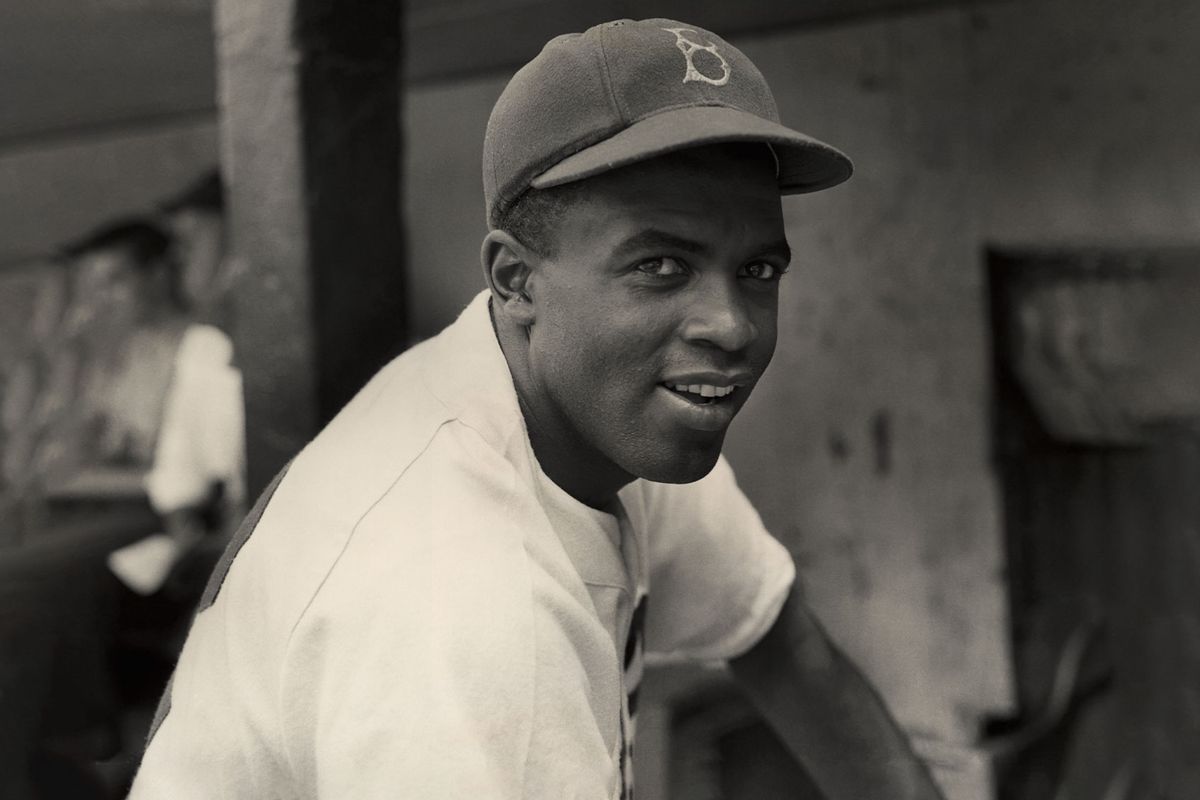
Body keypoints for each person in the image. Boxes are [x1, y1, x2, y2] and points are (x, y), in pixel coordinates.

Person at [130, 19, 946, 800]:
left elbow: (788, 651)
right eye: (661, 264)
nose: (730, 326)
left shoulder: (597, 418)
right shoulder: (460, 603)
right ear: (516, 281)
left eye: (759, 272)